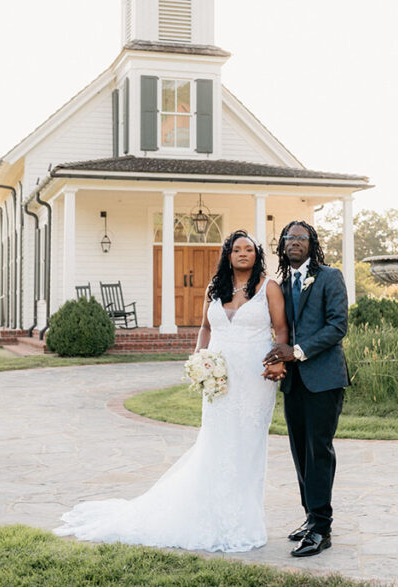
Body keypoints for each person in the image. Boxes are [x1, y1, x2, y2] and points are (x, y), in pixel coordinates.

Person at [55, 230, 289, 553]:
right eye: (237, 249)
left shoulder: (269, 288)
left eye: (249, 249)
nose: (243, 254)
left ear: (257, 254)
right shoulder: (214, 287)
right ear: (228, 254)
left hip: (253, 381)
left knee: (247, 447)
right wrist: (199, 361)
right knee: (216, 444)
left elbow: (282, 328)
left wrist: (277, 359)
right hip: (219, 380)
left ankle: (243, 518)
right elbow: (205, 328)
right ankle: (211, 512)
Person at [263, 220, 349, 558]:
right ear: (283, 245)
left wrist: (296, 352)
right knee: (299, 450)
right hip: (294, 382)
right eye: (289, 237)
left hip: (324, 378)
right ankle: (310, 516)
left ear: (312, 244)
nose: (295, 242)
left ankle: (322, 528)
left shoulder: (330, 277)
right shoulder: (282, 284)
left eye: (302, 237)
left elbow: (337, 325)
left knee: (318, 450)